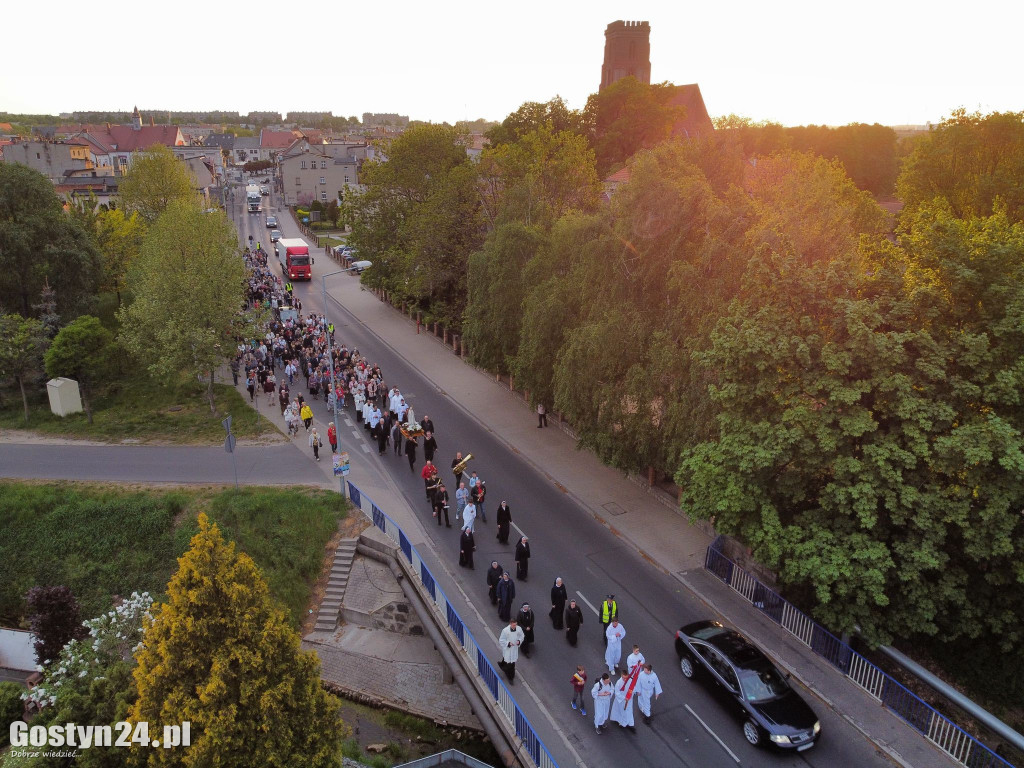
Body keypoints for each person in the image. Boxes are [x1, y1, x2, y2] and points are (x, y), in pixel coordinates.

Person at [497, 619, 525, 685]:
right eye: (513, 625)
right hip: (508, 649)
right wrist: (508, 643)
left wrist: (519, 641)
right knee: (511, 664)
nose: (515, 626)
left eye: (516, 625)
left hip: (514, 648)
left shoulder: (519, 629)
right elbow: (501, 640)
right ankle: (510, 677)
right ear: (510, 624)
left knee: (509, 660)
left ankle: (502, 665)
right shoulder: (505, 631)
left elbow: (522, 636)